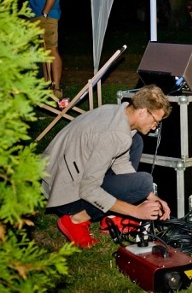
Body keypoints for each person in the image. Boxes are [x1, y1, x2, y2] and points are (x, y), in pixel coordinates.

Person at [41, 85, 173, 248]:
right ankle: (77, 219)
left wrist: (150, 196)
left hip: (65, 173)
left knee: (136, 143)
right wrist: (135, 211)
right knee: (143, 181)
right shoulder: (113, 134)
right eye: (156, 121)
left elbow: (120, 162)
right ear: (143, 111)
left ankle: (111, 216)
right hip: (65, 192)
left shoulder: (119, 114)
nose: (155, 127)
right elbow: (89, 189)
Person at [26, 0, 64, 99]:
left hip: (47, 16)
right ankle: (47, 87)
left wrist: (45, 13)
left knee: (51, 49)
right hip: (36, 15)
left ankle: (56, 88)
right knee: (43, 52)